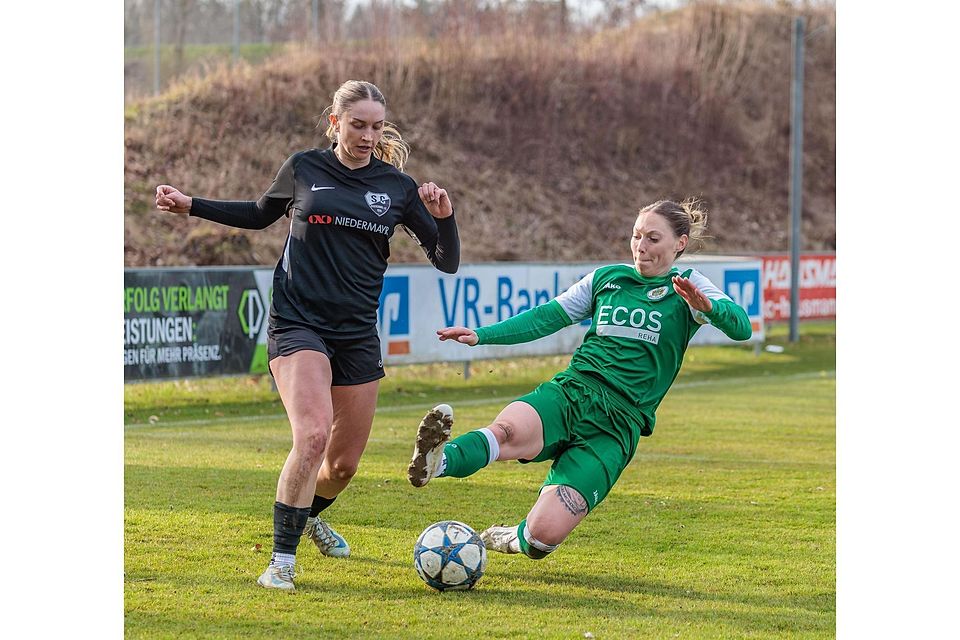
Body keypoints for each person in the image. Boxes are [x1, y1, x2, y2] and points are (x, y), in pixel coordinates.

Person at [155, 80, 460, 592]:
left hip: (357, 333)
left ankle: (311, 513)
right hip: (298, 322)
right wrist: (192, 204)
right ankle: (281, 562)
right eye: (357, 124)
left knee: (342, 465)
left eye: (376, 126)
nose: (367, 135)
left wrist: (444, 219)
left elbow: (446, 262)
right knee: (313, 436)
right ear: (335, 122)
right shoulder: (305, 167)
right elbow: (258, 214)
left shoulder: (398, 188)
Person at [407, 198, 750, 561]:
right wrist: (483, 335)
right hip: (573, 391)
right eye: (637, 236)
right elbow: (547, 317)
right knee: (507, 432)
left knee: (541, 540)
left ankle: (511, 536)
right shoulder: (607, 279)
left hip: (618, 425)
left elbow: (741, 326)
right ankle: (436, 462)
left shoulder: (689, 286)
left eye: (653, 238)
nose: (641, 247)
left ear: (679, 243)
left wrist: (709, 307)